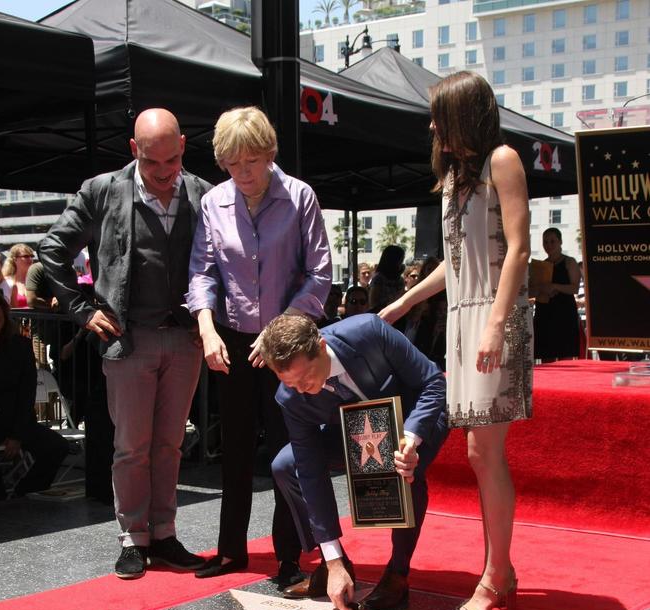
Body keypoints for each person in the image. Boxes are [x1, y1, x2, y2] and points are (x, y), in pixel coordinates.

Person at [380, 71, 533, 610]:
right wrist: (404, 303)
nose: (431, 125)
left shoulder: (502, 161)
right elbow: (453, 262)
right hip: (465, 322)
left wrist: (494, 323)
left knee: (482, 452)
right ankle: (501, 569)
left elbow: (518, 249)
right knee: (478, 453)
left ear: (464, 115)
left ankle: (496, 574)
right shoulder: (454, 180)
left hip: (495, 316)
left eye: (439, 115)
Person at [40, 108, 210, 579]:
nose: (163, 173)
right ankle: (133, 537)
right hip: (127, 339)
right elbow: (53, 248)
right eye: (153, 163)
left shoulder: (202, 193)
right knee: (131, 446)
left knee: (171, 444)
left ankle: (165, 533)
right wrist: (81, 309)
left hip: (184, 340)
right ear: (134, 150)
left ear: (183, 148)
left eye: (172, 162)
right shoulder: (101, 190)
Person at [187, 106, 332, 585]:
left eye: (252, 161)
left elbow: (319, 274)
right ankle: (231, 550)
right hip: (230, 337)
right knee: (235, 448)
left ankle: (289, 556)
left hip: (286, 341)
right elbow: (203, 272)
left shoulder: (299, 197)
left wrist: (278, 334)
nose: (243, 173)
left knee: (286, 451)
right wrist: (206, 328)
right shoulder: (214, 202)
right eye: (232, 163)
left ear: (270, 153)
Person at [260, 312, 447, 610]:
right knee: (286, 465)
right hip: (353, 433)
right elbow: (309, 469)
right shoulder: (291, 397)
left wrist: (412, 438)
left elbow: (433, 383)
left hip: (413, 420)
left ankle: (398, 572)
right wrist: (332, 558)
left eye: (305, 378)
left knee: (403, 468)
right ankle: (332, 563)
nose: (301, 389)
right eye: (290, 383)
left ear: (321, 347)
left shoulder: (368, 332)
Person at [0, 291, 69, 497]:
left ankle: (26, 490)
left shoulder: (20, 345)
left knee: (57, 447)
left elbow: (27, 392)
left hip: (16, 420)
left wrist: (16, 435)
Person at [532, 227, 581, 362]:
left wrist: (554, 286)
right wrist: (541, 289)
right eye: (545, 242)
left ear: (560, 242)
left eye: (552, 241)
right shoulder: (540, 265)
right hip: (544, 313)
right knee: (546, 355)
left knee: (566, 354)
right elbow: (532, 291)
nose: (549, 245)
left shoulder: (569, 262)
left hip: (564, 313)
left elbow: (575, 288)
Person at [368, 244, 405, 311]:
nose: (401, 263)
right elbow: (373, 302)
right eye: (400, 260)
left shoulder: (400, 280)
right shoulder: (379, 279)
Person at [2, 244, 35, 309]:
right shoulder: (5, 282)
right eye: (26, 256)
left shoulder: (35, 280)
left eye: (32, 256)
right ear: (15, 259)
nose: (30, 259)